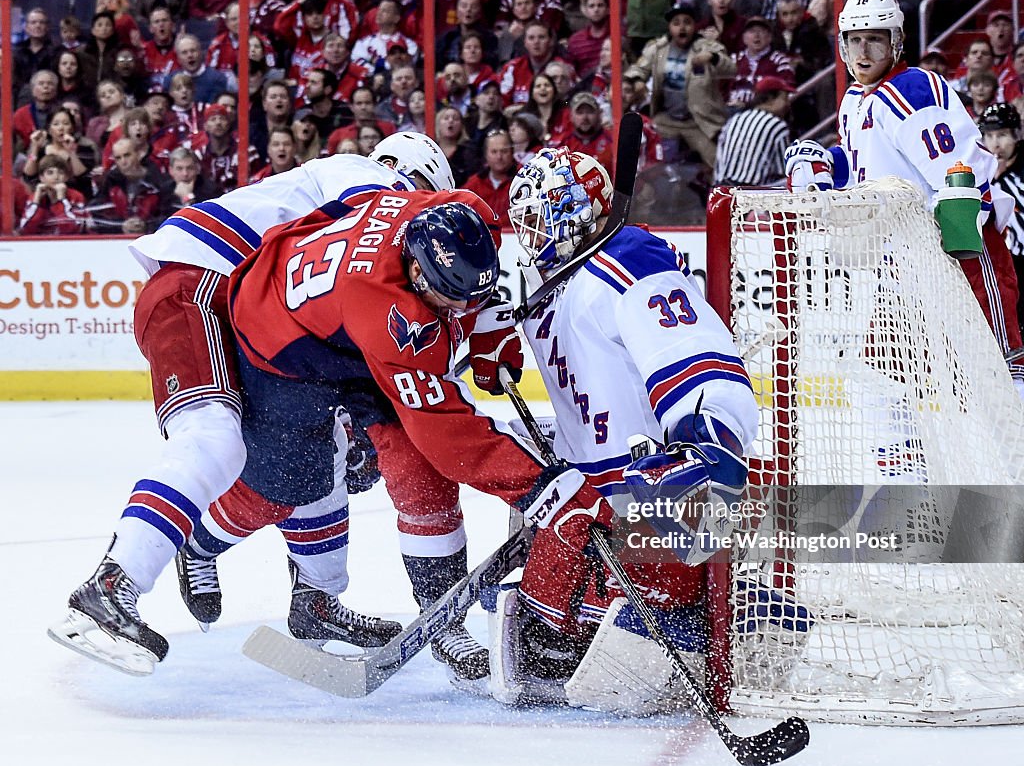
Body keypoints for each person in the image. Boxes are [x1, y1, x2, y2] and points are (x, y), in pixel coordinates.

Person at [48, 133, 459, 676]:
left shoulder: (354, 228)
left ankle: (317, 600)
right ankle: (110, 587)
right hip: (197, 285)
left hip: (247, 314)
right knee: (213, 441)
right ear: (415, 177)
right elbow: (384, 223)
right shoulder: (367, 179)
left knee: (320, 441)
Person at [220, 189, 618, 690]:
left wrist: (490, 330)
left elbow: (478, 281)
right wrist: (534, 484)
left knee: (420, 478)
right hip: (280, 343)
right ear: (416, 273)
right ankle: (196, 541)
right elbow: (449, 438)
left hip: (337, 313)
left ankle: (443, 619)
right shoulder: (392, 315)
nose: (460, 307)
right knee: (287, 482)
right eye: (452, 298)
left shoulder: (461, 214)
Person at [490, 146, 758, 711]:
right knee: (558, 559)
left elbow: (695, 356)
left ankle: (709, 628)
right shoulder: (547, 289)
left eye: (541, 218)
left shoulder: (625, 260)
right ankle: (573, 637)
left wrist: (703, 437)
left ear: (576, 211)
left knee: (647, 590)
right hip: (594, 494)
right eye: (524, 224)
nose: (531, 235)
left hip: (652, 490)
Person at [785, 0, 1024, 396]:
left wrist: (962, 254)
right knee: (881, 377)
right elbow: (869, 164)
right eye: (854, 39)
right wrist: (825, 162)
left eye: (875, 38)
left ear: (896, 41)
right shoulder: (856, 99)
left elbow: (961, 176)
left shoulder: (911, 89)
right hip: (901, 264)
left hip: (958, 254)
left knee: (999, 374)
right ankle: (899, 461)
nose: (863, 50)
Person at [626, 3, 735, 168]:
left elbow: (731, 69)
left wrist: (712, 58)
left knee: (719, 164)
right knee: (650, 162)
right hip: (666, 119)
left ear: (695, 26)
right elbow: (637, 68)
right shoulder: (658, 48)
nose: (682, 28)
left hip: (698, 122)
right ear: (669, 27)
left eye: (687, 22)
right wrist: (638, 80)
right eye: (676, 23)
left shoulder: (706, 46)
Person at [979, 103, 1024, 334]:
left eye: (1003, 135)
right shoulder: (980, 170)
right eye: (989, 135)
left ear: (1017, 135)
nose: (996, 143)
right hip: (1000, 261)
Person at [714, 75, 793, 186]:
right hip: (753, 194)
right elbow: (785, 170)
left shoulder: (735, 119)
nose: (788, 104)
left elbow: (719, 162)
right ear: (770, 99)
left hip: (723, 189)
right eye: (784, 98)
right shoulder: (777, 125)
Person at [18, 154, 90, 236]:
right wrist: (36, 202)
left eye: (60, 173)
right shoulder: (35, 197)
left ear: (66, 177)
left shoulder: (76, 196)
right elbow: (26, 229)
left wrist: (61, 201)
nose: (56, 177)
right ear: (42, 178)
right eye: (50, 173)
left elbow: (73, 229)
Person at [461, 129, 515, 227]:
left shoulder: (522, 182)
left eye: (504, 151)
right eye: (494, 152)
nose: (499, 157)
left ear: (512, 153)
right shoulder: (475, 183)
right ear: (486, 155)